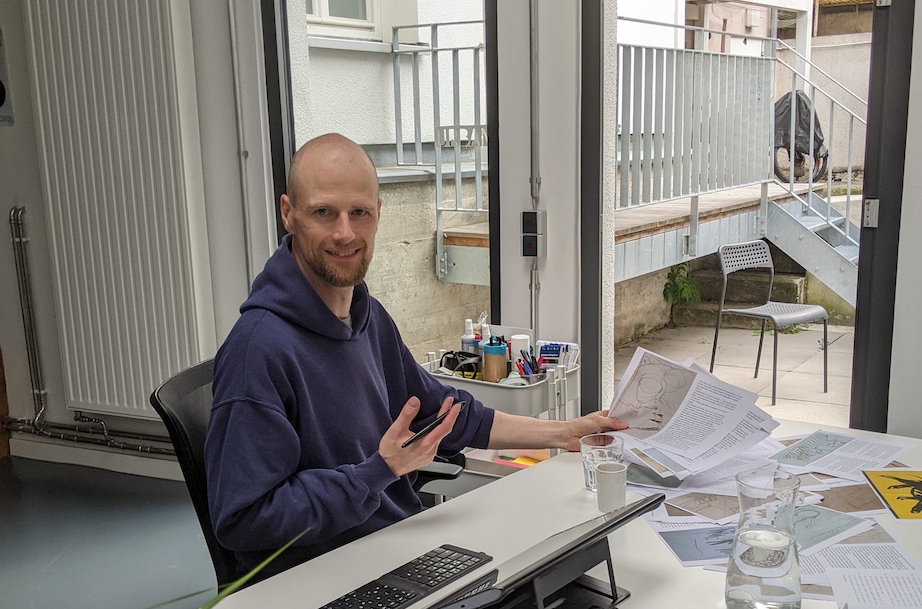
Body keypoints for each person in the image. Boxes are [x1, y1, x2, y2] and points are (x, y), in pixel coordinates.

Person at [205, 133, 624, 578]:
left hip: (394, 550)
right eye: (323, 212)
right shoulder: (258, 351)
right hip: (320, 580)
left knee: (558, 576)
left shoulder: (367, 317)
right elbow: (243, 520)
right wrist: (377, 472)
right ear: (289, 213)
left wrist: (565, 433)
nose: (345, 233)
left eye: (359, 213)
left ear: (378, 213)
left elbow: (446, 415)